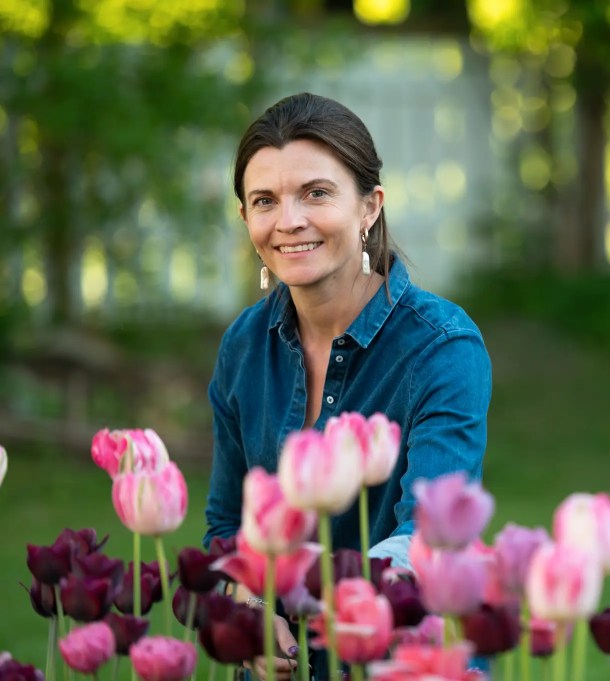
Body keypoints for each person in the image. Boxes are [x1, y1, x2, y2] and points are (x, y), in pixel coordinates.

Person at [204, 92, 492, 680]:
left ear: (369, 208)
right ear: (246, 219)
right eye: (265, 201)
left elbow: (428, 534)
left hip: (405, 659)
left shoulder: (442, 347)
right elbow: (227, 525)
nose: (289, 220)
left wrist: (329, 604)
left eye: (316, 193)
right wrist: (249, 607)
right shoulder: (244, 346)